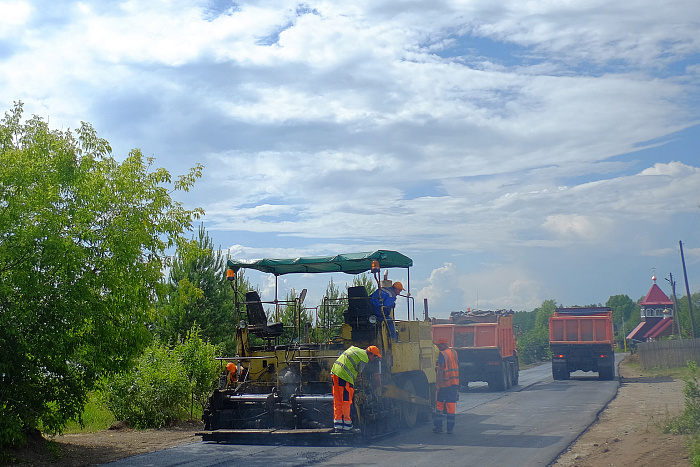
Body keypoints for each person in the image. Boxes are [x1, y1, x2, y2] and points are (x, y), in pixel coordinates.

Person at [331, 345, 382, 432]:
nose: (374, 359)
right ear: (371, 355)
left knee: (338, 400)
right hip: (344, 377)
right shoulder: (364, 359)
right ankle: (347, 425)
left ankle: (338, 425)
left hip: (334, 373)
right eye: (375, 357)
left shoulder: (355, 349)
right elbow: (360, 372)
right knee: (346, 401)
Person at [433, 337, 459, 434]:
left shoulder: (442, 354)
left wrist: (438, 384)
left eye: (439, 345)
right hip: (454, 383)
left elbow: (440, 370)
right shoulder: (454, 352)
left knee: (439, 404)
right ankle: (450, 428)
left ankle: (438, 427)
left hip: (444, 384)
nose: (438, 347)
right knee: (451, 405)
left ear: (443, 344)